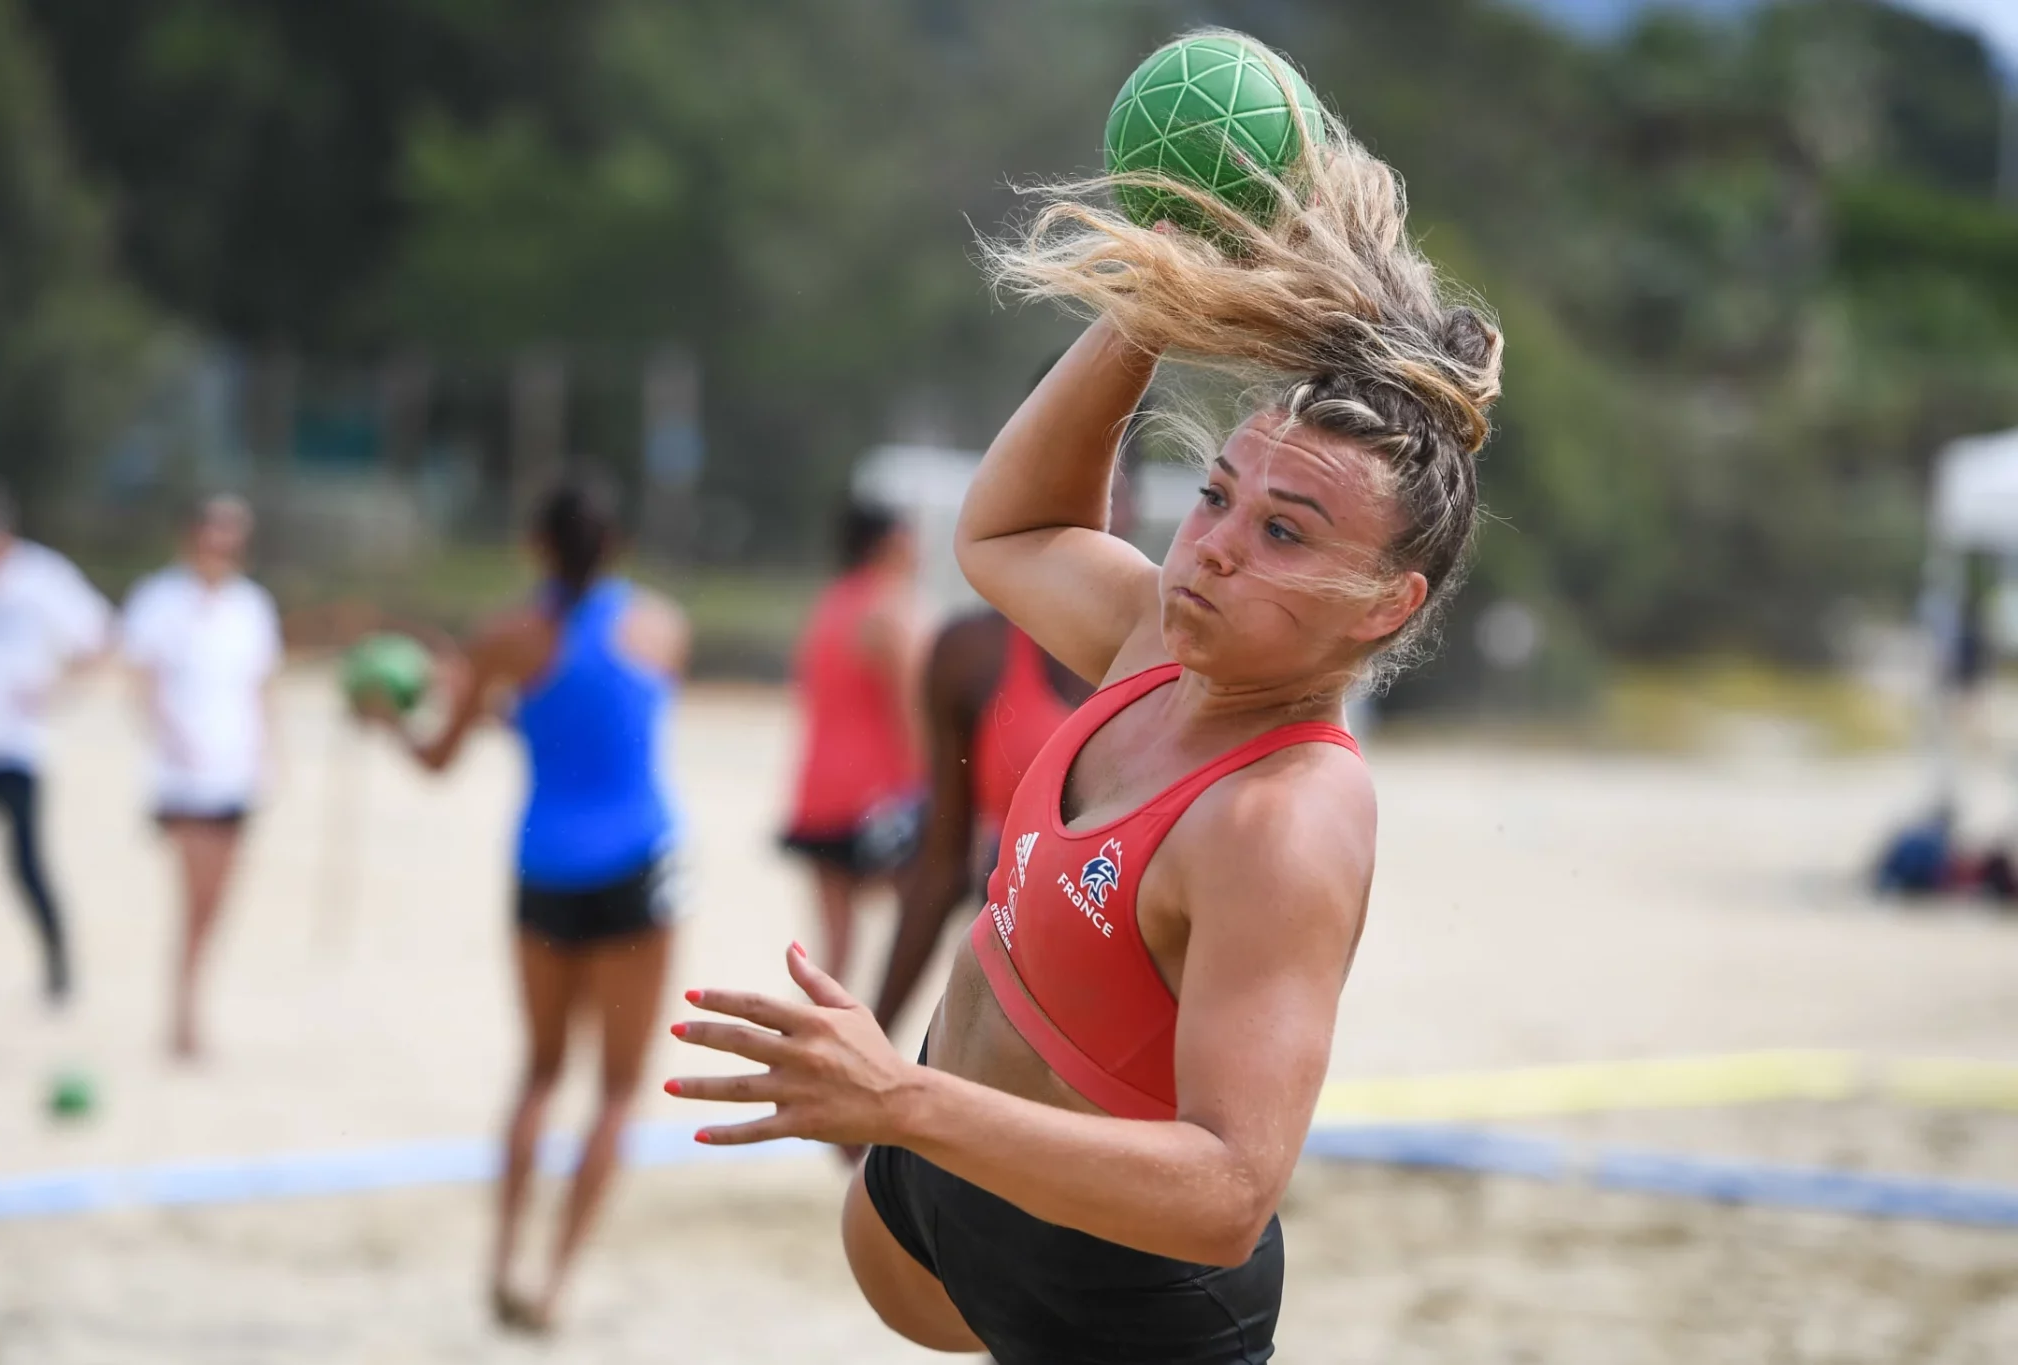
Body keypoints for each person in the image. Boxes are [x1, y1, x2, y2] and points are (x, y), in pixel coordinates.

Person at [667, 43, 1501, 1364]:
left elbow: (1229, 1194)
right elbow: (1009, 531)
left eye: (1286, 533)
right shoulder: (1150, 640)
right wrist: (1160, 292)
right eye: (1219, 493)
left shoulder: (1283, 817)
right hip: (943, 1209)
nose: (1216, 543)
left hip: (1123, 1315)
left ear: (1385, 605)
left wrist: (905, 1100)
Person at [360, 477, 688, 1335]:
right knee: (617, 1090)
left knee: (541, 1072)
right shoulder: (660, 626)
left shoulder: (503, 638)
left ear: (534, 546)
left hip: (544, 868)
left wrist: (388, 717)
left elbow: (439, 757)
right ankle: (555, 1280)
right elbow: (615, 721)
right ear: (614, 546)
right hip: (635, 868)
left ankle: (501, 1258)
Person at [867, 395, 1144, 1043]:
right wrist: (873, 1039)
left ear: (1128, 502)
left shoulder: (1180, 666)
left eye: (1103, 485)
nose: (1078, 506)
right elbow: (939, 866)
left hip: (1121, 1037)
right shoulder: (972, 656)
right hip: (995, 1018)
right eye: (1054, 476)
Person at [121, 494, 283, 1059]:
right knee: (194, 896)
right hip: (184, 776)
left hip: (236, 771)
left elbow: (262, 689)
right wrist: (172, 740)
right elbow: (142, 682)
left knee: (217, 902)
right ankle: (184, 1016)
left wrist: (268, 757)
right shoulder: (159, 599)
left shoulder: (252, 606)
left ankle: (191, 1003)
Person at [0, 472, 112, 1004]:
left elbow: (98, 638)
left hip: (13, 751)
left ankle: (57, 963)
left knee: (24, 864)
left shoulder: (40, 577)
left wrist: (55, 691)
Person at [780, 501, 928, 983]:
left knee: (836, 951)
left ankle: (815, 1042)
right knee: (921, 922)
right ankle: (881, 1040)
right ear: (889, 543)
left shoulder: (829, 604)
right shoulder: (888, 612)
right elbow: (913, 716)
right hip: (876, 799)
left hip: (818, 791)